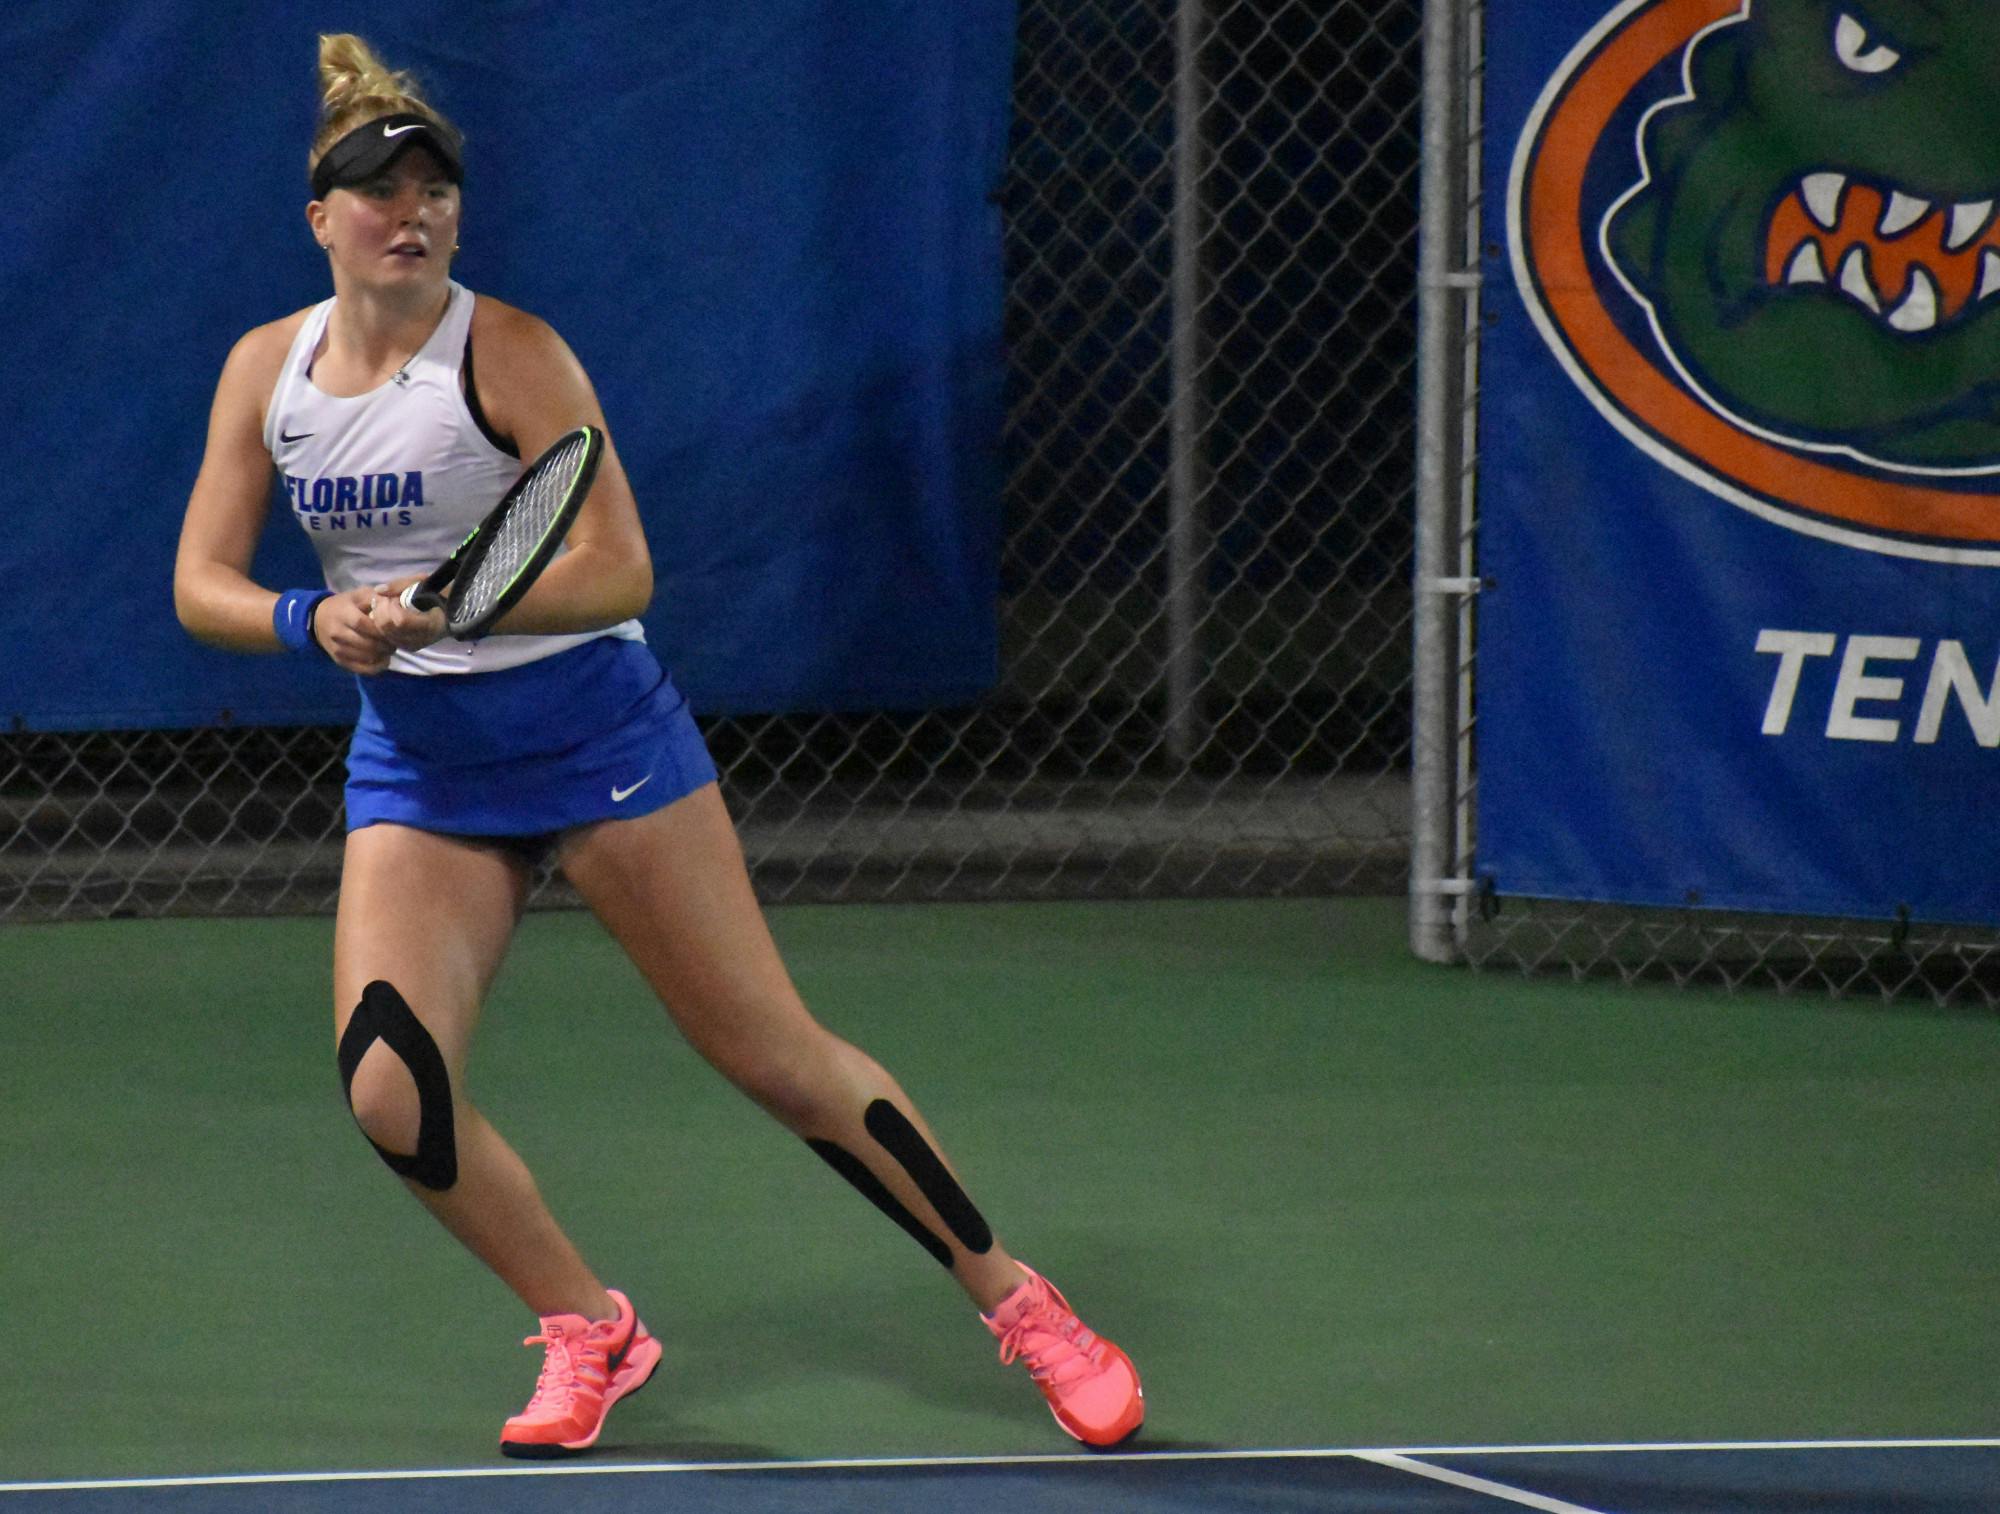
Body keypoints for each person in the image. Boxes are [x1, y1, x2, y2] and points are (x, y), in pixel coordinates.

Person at [173, 33, 1144, 1460]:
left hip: (596, 742)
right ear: (321, 220)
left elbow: (622, 569)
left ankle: (1019, 1299)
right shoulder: (270, 371)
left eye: (435, 189)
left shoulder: (511, 353)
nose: (413, 213)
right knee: (389, 1084)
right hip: (425, 768)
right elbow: (203, 586)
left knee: (771, 1054)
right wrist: (317, 619)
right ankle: (591, 1324)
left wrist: (449, 601)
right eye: (379, 193)